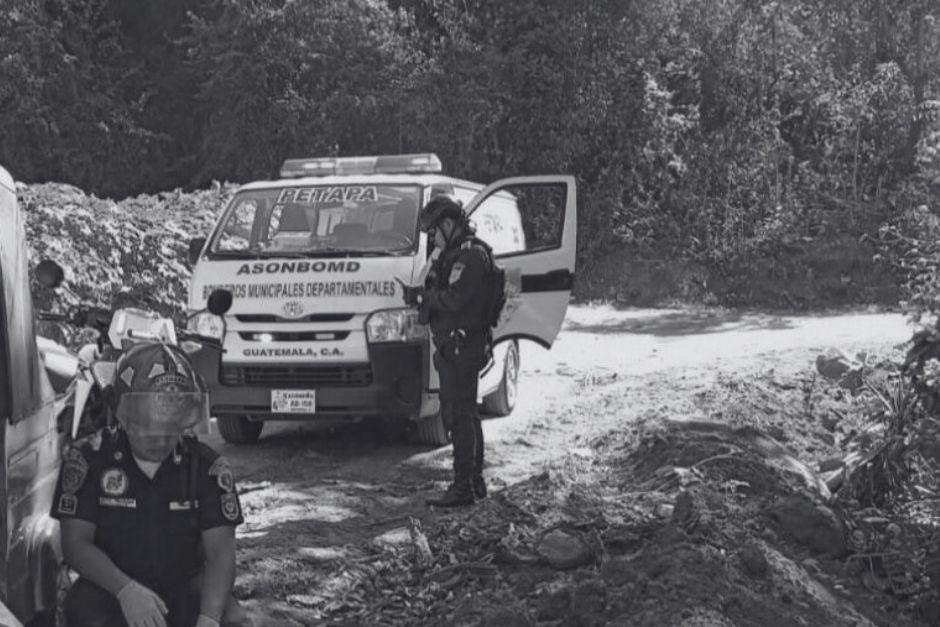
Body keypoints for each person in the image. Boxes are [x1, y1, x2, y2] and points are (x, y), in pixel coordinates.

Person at [52, 342, 250, 627]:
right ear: (124, 417)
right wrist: (125, 590)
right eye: (149, 428)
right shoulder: (87, 459)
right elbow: (75, 544)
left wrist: (209, 619)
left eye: (170, 429)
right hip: (111, 586)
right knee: (84, 612)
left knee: (233, 620)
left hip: (184, 585)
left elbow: (220, 554)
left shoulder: (208, 468)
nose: (160, 439)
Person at [402, 194, 495, 507]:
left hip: (463, 346)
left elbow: (455, 299)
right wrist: (419, 295)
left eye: (435, 231)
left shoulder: (470, 257)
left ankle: (463, 486)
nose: (433, 238)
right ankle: (474, 482)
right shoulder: (452, 255)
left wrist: (426, 300)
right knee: (465, 413)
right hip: (454, 346)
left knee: (459, 415)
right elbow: (441, 291)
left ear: (448, 224)